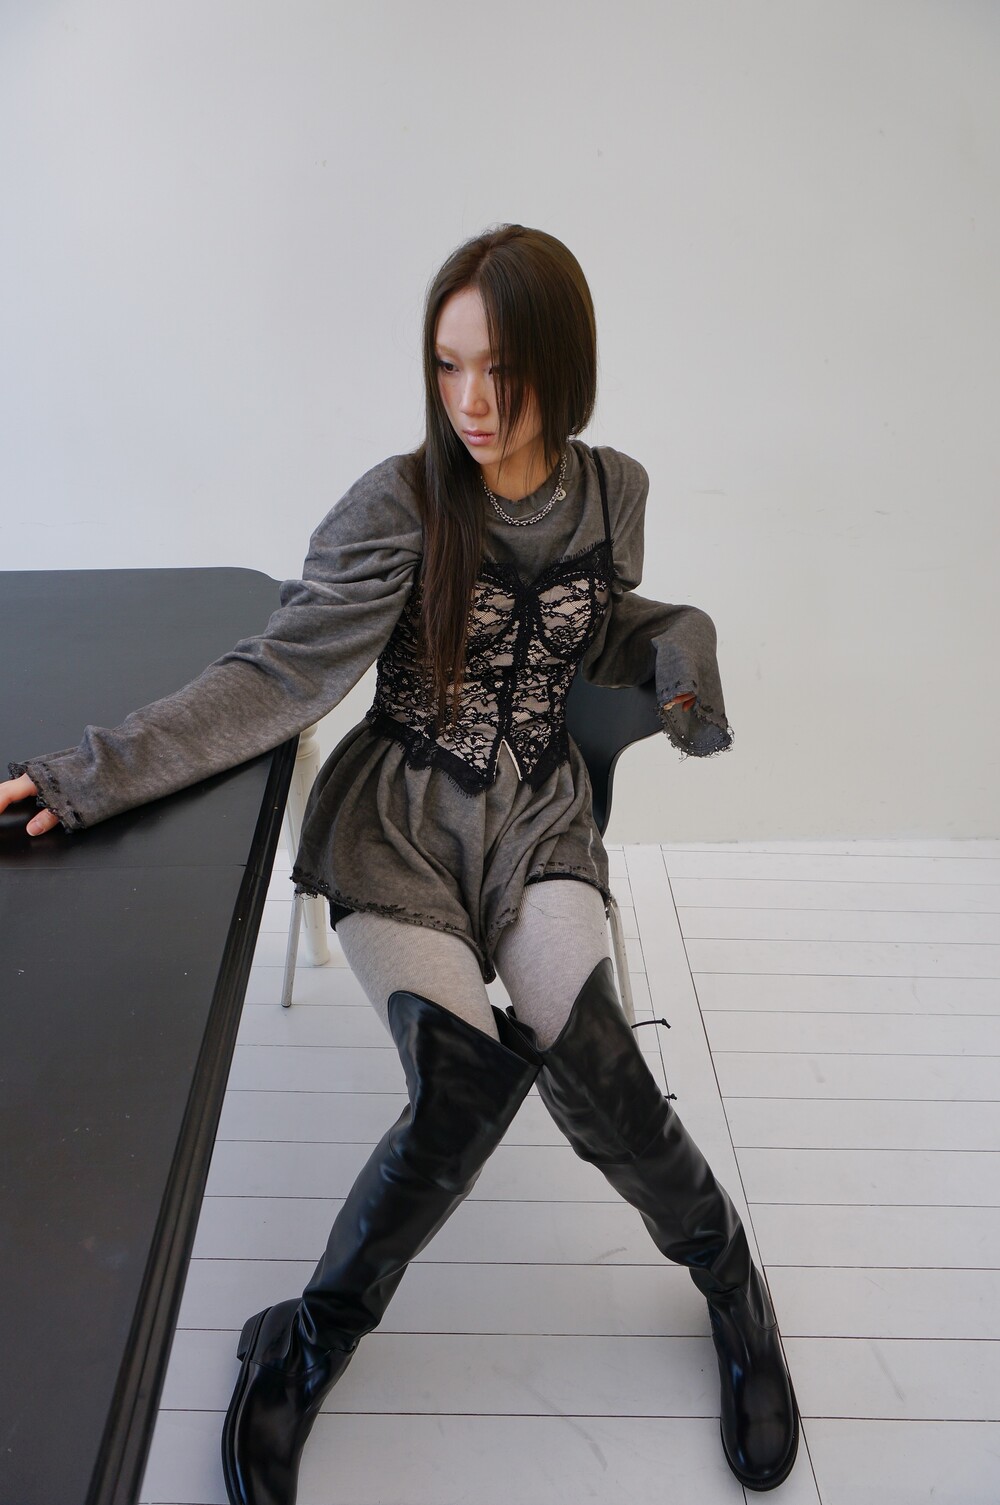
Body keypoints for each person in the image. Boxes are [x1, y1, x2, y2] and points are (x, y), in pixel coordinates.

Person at [2, 225, 798, 1502]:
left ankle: (730, 1279)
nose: (470, 400)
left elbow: (599, 629)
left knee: (592, 1049)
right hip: (403, 823)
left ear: (562, 367)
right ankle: (305, 1337)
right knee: (457, 1085)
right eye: (446, 364)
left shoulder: (614, 491)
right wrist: (89, 774)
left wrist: (684, 647)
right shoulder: (399, 503)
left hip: (536, 816)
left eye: (502, 370)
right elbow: (278, 672)